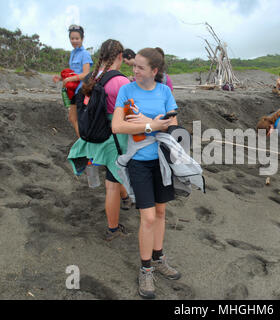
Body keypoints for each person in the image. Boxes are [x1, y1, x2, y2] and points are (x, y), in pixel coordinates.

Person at [112, 47, 180, 299]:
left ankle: (159, 257)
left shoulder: (165, 91)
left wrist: (144, 121)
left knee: (161, 212)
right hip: (138, 162)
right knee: (148, 218)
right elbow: (118, 126)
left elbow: (172, 123)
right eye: (134, 66)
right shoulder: (126, 90)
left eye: (140, 67)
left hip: (161, 161)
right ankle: (146, 269)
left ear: (154, 71)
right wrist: (152, 123)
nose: (134, 70)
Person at [67, 39, 132, 241]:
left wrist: (80, 132)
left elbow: (76, 109)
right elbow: (130, 113)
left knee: (114, 173)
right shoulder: (121, 82)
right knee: (112, 181)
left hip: (95, 135)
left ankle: (126, 198)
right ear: (120, 56)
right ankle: (113, 229)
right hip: (115, 136)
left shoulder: (91, 77)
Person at [53, 25, 93, 137]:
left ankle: (83, 144)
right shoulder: (73, 53)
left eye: (77, 38)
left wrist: (70, 79)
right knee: (73, 118)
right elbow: (73, 72)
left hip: (80, 90)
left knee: (74, 118)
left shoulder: (85, 54)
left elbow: (86, 73)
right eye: (72, 38)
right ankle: (82, 143)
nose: (74, 41)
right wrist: (61, 78)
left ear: (82, 39)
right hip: (72, 90)